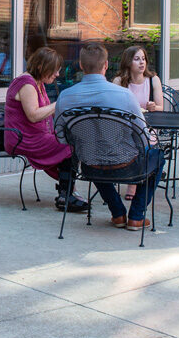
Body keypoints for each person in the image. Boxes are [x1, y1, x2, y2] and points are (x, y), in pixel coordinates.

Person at [54, 43, 164, 231]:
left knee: (94, 152)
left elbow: (61, 137)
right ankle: (136, 215)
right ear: (105, 65)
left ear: (81, 65)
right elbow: (143, 137)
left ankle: (118, 212)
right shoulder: (125, 95)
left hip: (89, 166)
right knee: (158, 157)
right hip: (127, 165)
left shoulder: (65, 96)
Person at [3, 47, 87, 212]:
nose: (57, 75)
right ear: (41, 68)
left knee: (72, 137)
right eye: (54, 71)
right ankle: (67, 194)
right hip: (22, 138)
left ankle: (68, 192)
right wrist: (60, 103)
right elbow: (33, 116)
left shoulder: (37, 82)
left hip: (35, 135)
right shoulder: (26, 84)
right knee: (68, 144)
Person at [111, 45, 163, 201]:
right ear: (128, 62)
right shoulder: (119, 81)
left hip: (147, 126)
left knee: (142, 141)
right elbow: (112, 107)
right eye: (137, 59)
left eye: (143, 59)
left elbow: (161, 108)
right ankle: (136, 176)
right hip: (124, 127)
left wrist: (154, 107)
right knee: (130, 140)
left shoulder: (153, 79)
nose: (142, 63)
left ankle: (133, 182)